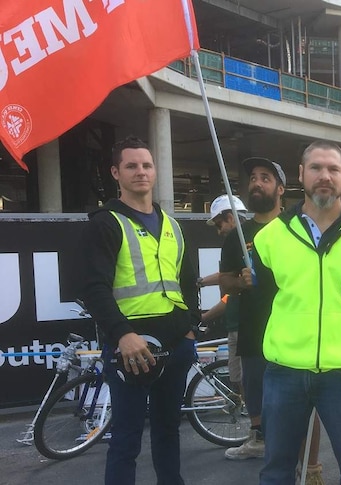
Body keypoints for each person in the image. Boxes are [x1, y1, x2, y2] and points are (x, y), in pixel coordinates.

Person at [254, 141, 341, 485]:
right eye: (316, 168)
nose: (325, 176)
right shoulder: (271, 236)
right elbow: (264, 299)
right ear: (301, 174)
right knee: (276, 469)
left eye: (333, 169)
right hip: (284, 369)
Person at [80, 136, 198, 485]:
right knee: (126, 438)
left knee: (168, 431)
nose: (140, 172)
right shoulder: (105, 223)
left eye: (146, 165)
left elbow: (187, 283)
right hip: (130, 348)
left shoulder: (173, 225)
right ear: (116, 172)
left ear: (155, 170)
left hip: (176, 344)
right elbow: (93, 288)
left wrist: (190, 327)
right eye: (131, 166)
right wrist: (122, 335)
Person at [218, 158, 326, 482]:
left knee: (308, 406)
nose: (257, 183)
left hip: (296, 332)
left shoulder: (301, 227)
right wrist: (241, 282)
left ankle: (311, 468)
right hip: (256, 335)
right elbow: (225, 283)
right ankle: (279, 471)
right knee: (267, 413)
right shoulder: (237, 234)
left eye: (265, 178)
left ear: (280, 189)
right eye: (253, 177)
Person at [203, 194, 247, 391]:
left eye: (220, 224)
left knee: (248, 383)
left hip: (245, 326)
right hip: (236, 325)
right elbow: (225, 279)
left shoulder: (246, 245)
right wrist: (201, 282)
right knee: (238, 381)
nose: (219, 231)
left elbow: (230, 290)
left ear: (230, 217)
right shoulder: (234, 246)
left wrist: (205, 316)